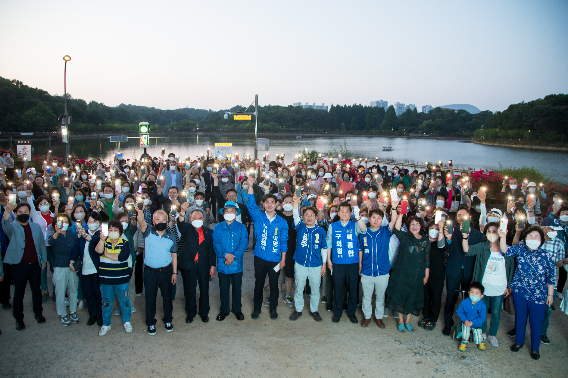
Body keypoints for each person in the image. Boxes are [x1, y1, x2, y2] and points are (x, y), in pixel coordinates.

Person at [499, 226, 555, 360]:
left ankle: (535, 348)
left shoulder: (547, 256)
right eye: (530, 236)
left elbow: (551, 278)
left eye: (537, 236)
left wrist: (550, 295)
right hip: (520, 292)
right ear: (525, 238)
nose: (533, 238)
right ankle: (519, 342)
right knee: (520, 318)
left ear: (541, 240)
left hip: (539, 296)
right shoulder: (520, 249)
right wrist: (502, 237)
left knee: (536, 322)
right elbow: (505, 250)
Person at [462, 223, 515, 347]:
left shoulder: (506, 250)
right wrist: (465, 237)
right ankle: (482, 332)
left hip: (499, 287)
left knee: (496, 312)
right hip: (484, 286)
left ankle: (492, 334)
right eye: (489, 231)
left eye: (494, 231)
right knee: (482, 311)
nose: (492, 234)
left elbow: (511, 269)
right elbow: (467, 250)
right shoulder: (483, 246)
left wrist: (508, 286)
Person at [245, 176, 289, 320]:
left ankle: (273, 308)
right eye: (267, 202)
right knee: (258, 283)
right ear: (263, 204)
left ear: (277, 204)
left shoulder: (282, 222)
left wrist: (283, 259)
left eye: (272, 202)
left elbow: (284, 241)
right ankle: (257, 308)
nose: (270, 205)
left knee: (274, 285)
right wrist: (251, 186)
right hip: (260, 256)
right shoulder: (258, 217)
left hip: (275, 259)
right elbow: (250, 204)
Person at [2, 202, 47, 330]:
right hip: (19, 266)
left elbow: (41, 244)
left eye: (25, 212)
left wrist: (43, 260)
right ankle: (19, 319)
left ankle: (38, 314)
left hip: (34, 265)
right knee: (19, 293)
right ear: (15, 214)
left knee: (36, 291)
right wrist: (7, 212)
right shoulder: (13, 227)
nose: (23, 214)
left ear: (29, 212)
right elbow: (5, 226)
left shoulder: (36, 227)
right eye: (20, 212)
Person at [385, 208, 430, 332]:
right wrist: (401, 214)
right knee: (400, 294)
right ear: (408, 226)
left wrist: (426, 275)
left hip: (417, 273)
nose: (414, 226)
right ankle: (400, 321)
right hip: (402, 272)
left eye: (417, 224)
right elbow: (396, 228)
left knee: (414, 296)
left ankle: (408, 321)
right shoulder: (404, 237)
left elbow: (427, 258)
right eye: (412, 224)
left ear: (421, 226)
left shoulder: (425, 240)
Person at [442, 206, 484, 336]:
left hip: (469, 271)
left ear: (469, 217)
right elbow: (447, 251)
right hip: (453, 269)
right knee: (450, 298)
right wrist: (448, 238)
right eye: (458, 215)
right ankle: (448, 324)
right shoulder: (452, 230)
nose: (461, 217)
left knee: (469, 301)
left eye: (464, 215)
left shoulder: (478, 235)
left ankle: (467, 326)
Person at [136, 207, 178, 335]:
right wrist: (139, 210)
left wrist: (175, 272)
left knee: (167, 297)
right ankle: (150, 322)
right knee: (150, 297)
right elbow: (141, 222)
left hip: (166, 271)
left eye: (163, 219)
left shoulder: (171, 236)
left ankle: (168, 320)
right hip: (150, 272)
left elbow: (174, 255)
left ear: (167, 220)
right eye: (157, 219)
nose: (160, 221)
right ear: (153, 221)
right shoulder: (148, 231)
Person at [326, 199, 367, 324]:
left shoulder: (354, 225)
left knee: (353, 289)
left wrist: (358, 216)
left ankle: (351, 312)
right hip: (337, 263)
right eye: (342, 211)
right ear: (338, 213)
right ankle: (337, 312)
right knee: (337, 288)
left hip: (352, 263)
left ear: (350, 214)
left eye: (347, 212)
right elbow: (329, 244)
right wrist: (328, 260)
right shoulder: (333, 226)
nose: (344, 213)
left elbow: (364, 230)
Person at [289, 195, 328, 322]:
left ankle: (314, 310)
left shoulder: (321, 231)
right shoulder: (300, 227)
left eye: (312, 215)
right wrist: (295, 204)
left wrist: (324, 264)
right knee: (299, 286)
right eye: (307, 215)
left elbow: (324, 247)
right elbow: (295, 215)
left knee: (315, 288)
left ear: (316, 217)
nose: (309, 217)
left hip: (316, 264)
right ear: (303, 217)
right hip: (300, 263)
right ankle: (298, 309)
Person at [176, 205, 216, 323]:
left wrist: (212, 266)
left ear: (203, 219)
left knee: (204, 290)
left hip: (203, 265)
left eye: (200, 218)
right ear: (190, 219)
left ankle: (204, 313)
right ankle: (190, 313)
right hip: (189, 265)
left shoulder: (209, 232)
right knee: (189, 290)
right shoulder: (187, 229)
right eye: (194, 218)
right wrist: (182, 212)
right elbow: (181, 225)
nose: (197, 220)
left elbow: (211, 250)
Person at [358, 208, 397, 328]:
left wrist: (394, 207)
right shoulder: (364, 233)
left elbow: (393, 220)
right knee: (366, 296)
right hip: (367, 270)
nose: (376, 220)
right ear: (369, 219)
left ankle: (379, 317)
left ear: (382, 220)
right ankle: (367, 316)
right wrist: (360, 265)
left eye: (379, 218)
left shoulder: (386, 232)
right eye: (374, 217)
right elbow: (361, 250)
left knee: (380, 296)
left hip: (382, 271)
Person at [94, 219, 132, 336]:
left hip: (122, 279)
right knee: (106, 302)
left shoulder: (125, 242)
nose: (113, 231)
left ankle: (127, 321)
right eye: (110, 230)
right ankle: (106, 324)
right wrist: (102, 240)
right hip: (106, 279)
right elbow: (98, 251)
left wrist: (106, 255)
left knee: (124, 301)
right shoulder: (103, 242)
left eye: (116, 230)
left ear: (120, 232)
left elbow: (122, 257)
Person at [212, 201, 248, 321]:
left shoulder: (242, 228)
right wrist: (225, 255)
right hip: (223, 263)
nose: (229, 213)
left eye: (232, 211)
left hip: (237, 263)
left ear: (236, 213)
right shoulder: (217, 227)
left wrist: (232, 257)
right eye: (227, 211)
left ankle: (237, 310)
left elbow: (243, 244)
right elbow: (216, 244)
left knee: (237, 288)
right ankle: (224, 310)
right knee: (223, 288)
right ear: (223, 214)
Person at [70, 211, 103, 327]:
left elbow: (96, 242)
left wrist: (87, 237)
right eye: (90, 221)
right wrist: (72, 260)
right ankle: (92, 314)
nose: (92, 223)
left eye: (95, 221)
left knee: (98, 293)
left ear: (99, 223)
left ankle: (100, 315)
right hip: (85, 270)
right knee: (88, 293)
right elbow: (76, 248)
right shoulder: (82, 234)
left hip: (96, 269)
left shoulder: (101, 234)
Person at [49, 213, 79, 326]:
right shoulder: (54, 235)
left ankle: (73, 311)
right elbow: (50, 242)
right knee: (60, 291)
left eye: (66, 222)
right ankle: (62, 313)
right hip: (60, 266)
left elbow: (76, 249)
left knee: (73, 290)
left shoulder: (72, 235)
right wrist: (57, 231)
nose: (64, 224)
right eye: (62, 222)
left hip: (72, 266)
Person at [421, 220, 446, 331]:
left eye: (437, 229)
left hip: (437, 274)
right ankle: (425, 316)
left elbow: (441, 243)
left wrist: (441, 229)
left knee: (436, 297)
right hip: (425, 273)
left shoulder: (441, 243)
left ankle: (433, 319)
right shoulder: (425, 241)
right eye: (432, 228)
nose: (434, 230)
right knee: (426, 296)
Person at [456, 282, 487, 352]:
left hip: (476, 324)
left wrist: (472, 322)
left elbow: (482, 318)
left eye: (477, 293)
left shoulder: (482, 305)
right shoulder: (464, 302)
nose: (474, 295)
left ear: (481, 296)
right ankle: (464, 342)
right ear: (469, 292)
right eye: (472, 292)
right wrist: (465, 320)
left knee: (478, 337)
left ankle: (481, 341)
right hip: (466, 322)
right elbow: (459, 311)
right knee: (465, 334)